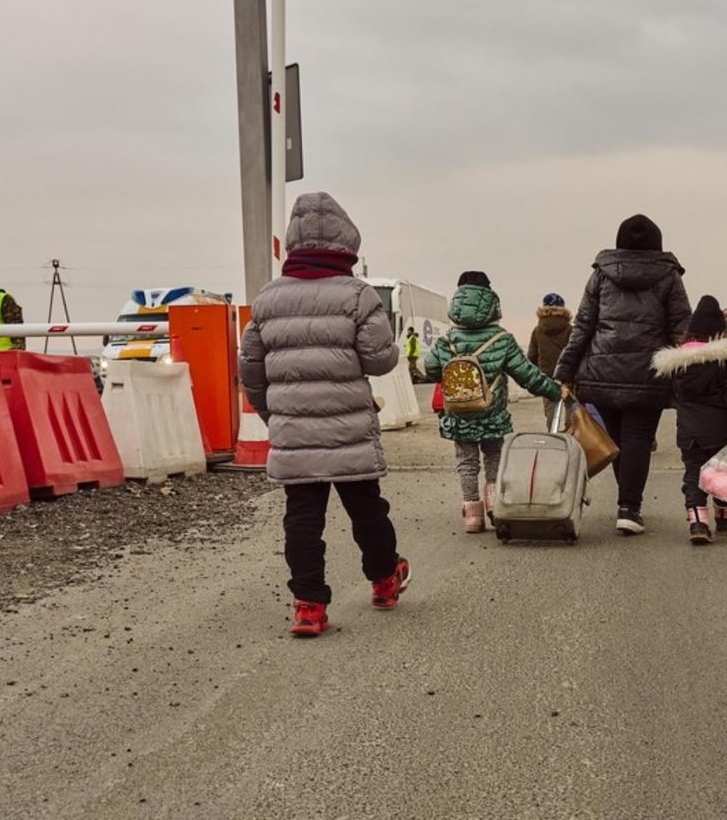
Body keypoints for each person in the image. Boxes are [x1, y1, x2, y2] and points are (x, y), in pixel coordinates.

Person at [238, 192, 410, 637]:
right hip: (348, 426)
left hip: (294, 429)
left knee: (302, 518)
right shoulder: (358, 295)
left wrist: (273, 415)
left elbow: (250, 370)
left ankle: (309, 605)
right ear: (347, 243)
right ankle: (385, 580)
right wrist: (390, 347)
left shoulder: (267, 300)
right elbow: (377, 360)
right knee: (367, 510)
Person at [555, 214, 691, 536]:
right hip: (648, 373)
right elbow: (680, 329)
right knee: (638, 439)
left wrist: (565, 371)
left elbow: (583, 327)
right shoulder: (669, 276)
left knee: (616, 439)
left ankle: (626, 503)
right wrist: (687, 373)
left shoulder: (602, 275)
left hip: (602, 371)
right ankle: (629, 507)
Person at [427, 272, 565, 533]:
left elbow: (429, 368)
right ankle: (494, 506)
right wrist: (554, 390)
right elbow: (527, 375)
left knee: (466, 462)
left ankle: (472, 516)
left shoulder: (447, 339)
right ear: (491, 301)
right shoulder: (501, 339)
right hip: (491, 412)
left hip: (459, 411)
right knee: (493, 456)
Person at [651, 296, 727, 546]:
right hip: (721, 431)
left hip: (689, 432)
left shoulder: (676, 364)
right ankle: (724, 514)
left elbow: (666, 395)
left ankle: (698, 522)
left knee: (693, 476)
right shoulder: (724, 362)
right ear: (718, 331)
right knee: (723, 473)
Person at [527, 292, 573, 427]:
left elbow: (531, 356)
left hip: (546, 376)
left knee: (550, 410)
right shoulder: (570, 330)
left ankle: (553, 436)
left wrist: (541, 369)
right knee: (571, 407)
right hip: (568, 376)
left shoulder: (537, 331)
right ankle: (570, 435)